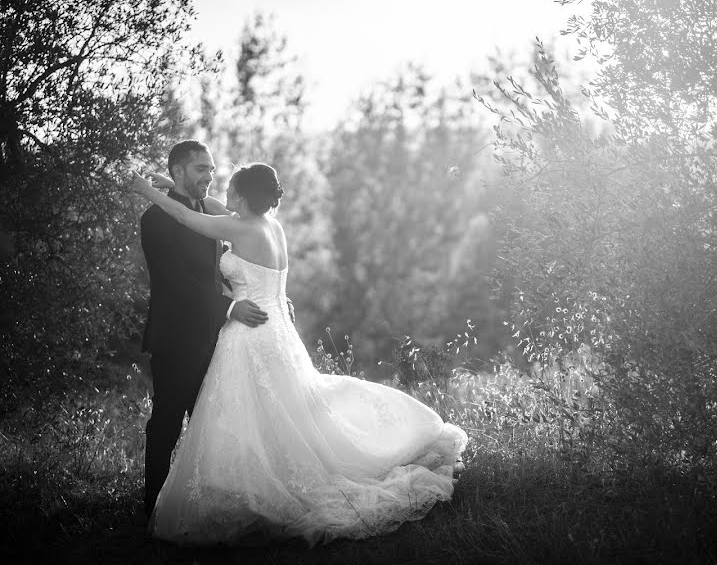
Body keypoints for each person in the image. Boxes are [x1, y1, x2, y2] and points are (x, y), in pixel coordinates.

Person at [130, 162, 467, 546]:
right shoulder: (270, 226)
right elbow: (208, 205)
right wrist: (167, 182)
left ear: (241, 196)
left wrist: (147, 191)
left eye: (229, 190)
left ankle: (256, 489)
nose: (222, 195)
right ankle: (264, 480)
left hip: (250, 333)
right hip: (278, 331)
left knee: (253, 413)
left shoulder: (237, 228)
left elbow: (183, 214)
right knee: (283, 412)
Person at [139, 140, 276, 518]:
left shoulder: (206, 212)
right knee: (167, 423)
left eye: (212, 169)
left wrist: (253, 293)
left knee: (212, 424)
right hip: (176, 337)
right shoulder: (156, 218)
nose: (210, 176)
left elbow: (214, 270)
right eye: (202, 168)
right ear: (179, 171)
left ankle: (201, 504)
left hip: (215, 336)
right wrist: (230, 307)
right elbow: (175, 280)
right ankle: (152, 508)